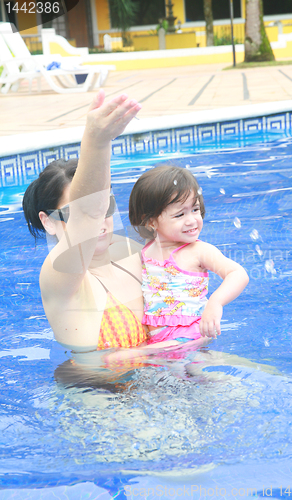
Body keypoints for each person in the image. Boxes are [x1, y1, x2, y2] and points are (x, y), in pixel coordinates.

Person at [22, 91, 207, 371]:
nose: (100, 219)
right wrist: (97, 142)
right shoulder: (58, 277)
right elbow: (88, 214)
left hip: (168, 379)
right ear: (48, 222)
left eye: (106, 206)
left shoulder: (137, 254)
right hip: (101, 398)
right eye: (73, 215)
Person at [128, 165, 249, 346]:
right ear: (151, 221)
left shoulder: (198, 251)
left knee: (130, 360)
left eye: (195, 210)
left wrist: (215, 303)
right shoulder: (148, 249)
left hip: (188, 335)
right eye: (179, 215)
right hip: (158, 336)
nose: (192, 220)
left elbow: (238, 274)